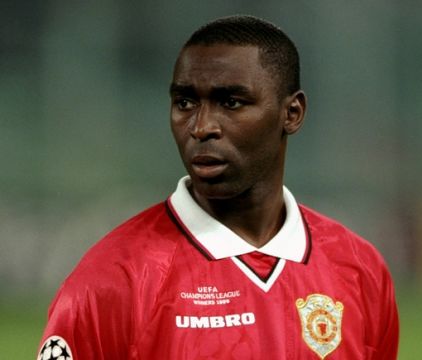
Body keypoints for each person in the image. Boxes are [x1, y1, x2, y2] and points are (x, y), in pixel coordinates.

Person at [37, 15, 399, 359]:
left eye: (230, 102)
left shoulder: (358, 269)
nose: (201, 126)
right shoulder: (115, 279)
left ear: (292, 113)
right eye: (185, 102)